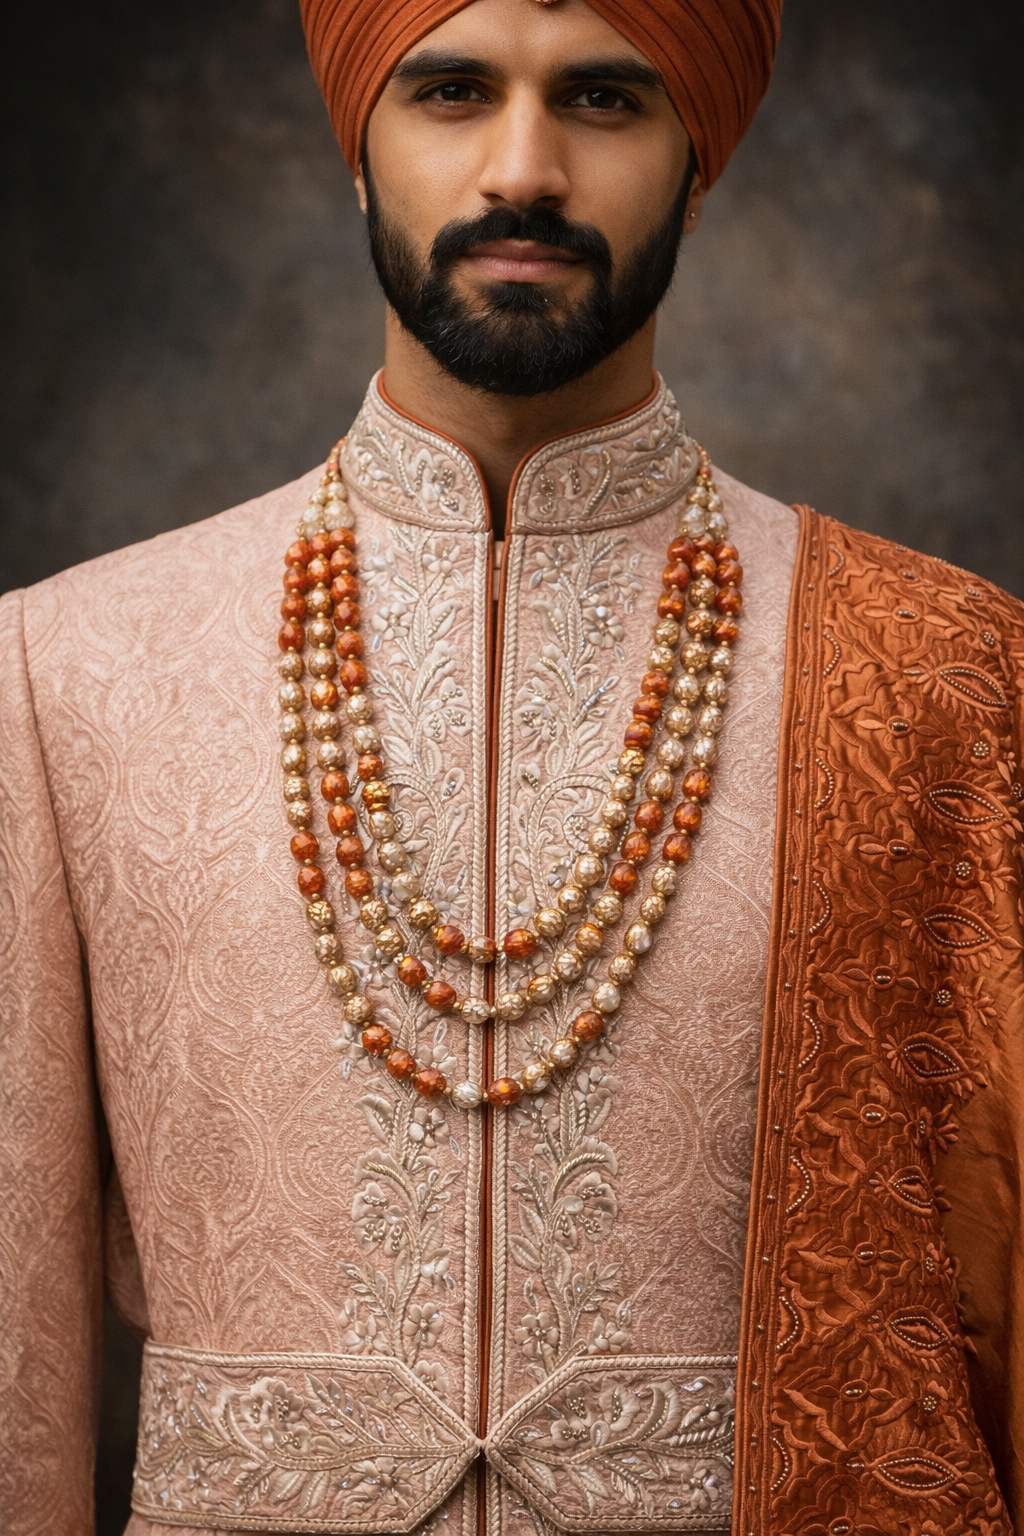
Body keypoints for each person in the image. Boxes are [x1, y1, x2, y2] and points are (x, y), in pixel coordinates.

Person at [1, 0, 1021, 1532]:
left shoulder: (942, 673)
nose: (525, 168)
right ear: (359, 144)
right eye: (453, 91)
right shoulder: (70, 665)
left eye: (605, 98)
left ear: (700, 158)